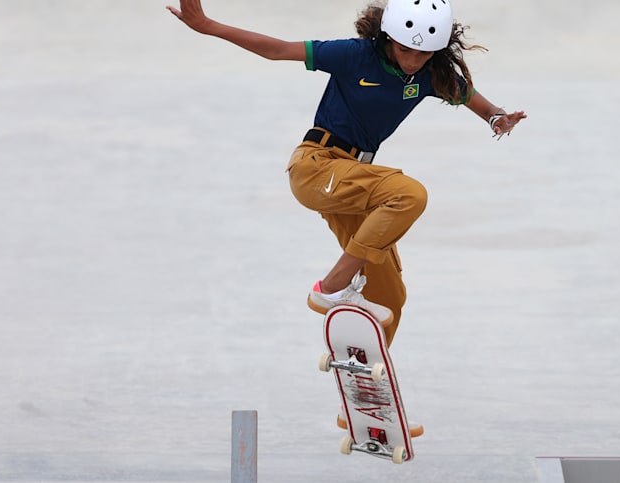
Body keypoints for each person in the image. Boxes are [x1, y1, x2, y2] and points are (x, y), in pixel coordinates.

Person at [167, 0, 525, 348]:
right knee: (409, 195)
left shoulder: (432, 75)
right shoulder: (354, 56)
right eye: (405, 50)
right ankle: (332, 286)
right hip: (316, 166)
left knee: (389, 297)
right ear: (388, 37)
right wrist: (207, 26)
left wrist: (497, 118)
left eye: (423, 54)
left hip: (354, 184)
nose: (413, 61)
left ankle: (364, 392)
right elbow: (277, 49)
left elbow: (474, 100)